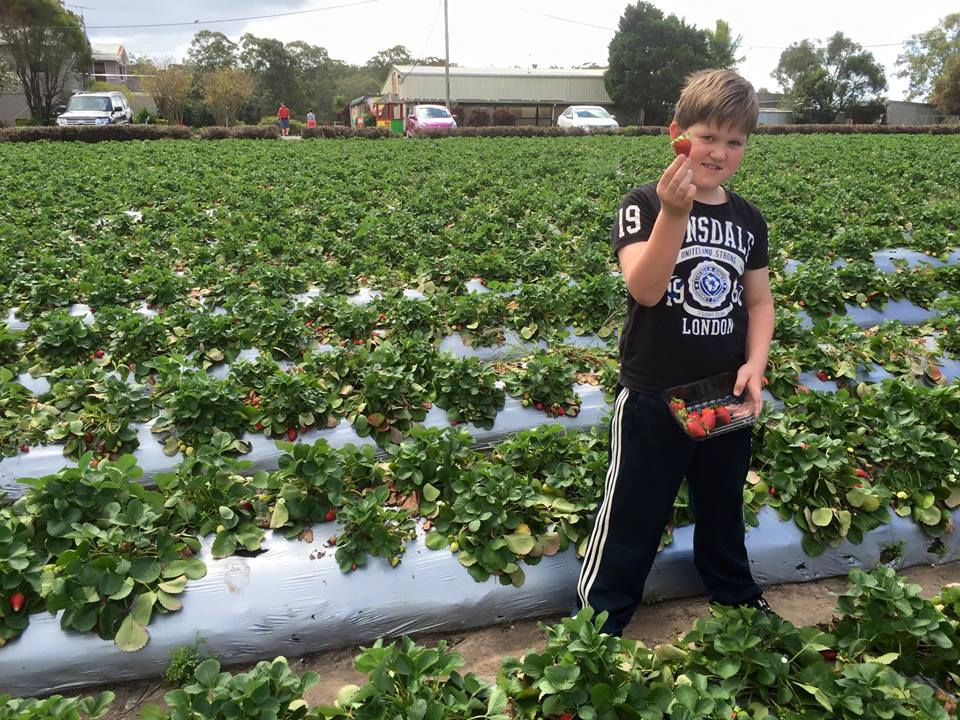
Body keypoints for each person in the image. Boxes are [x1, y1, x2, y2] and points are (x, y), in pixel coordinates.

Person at [576, 69, 776, 636]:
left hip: (724, 391)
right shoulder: (642, 205)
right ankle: (600, 619)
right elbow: (645, 288)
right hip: (653, 394)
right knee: (633, 513)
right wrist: (674, 213)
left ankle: (735, 594)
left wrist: (754, 365)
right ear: (678, 136)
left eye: (734, 141)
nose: (719, 152)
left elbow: (759, 302)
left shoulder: (748, 219)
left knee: (722, 505)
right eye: (708, 137)